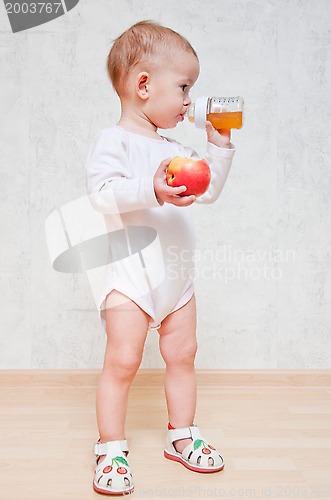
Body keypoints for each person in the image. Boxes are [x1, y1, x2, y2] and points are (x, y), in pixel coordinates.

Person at [86, 20, 236, 496]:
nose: (191, 101)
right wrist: (149, 187)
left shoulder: (175, 148)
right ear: (144, 86)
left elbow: (206, 192)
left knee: (183, 355)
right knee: (123, 362)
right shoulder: (115, 142)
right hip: (131, 280)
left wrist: (219, 148)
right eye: (184, 87)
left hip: (177, 282)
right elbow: (103, 195)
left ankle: (181, 435)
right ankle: (110, 447)